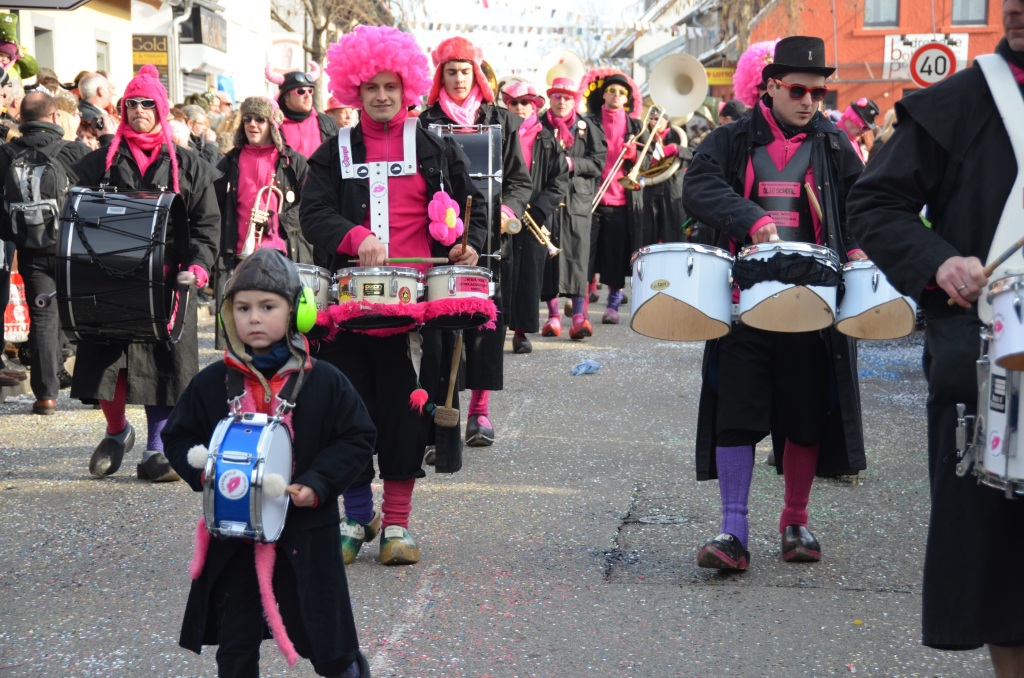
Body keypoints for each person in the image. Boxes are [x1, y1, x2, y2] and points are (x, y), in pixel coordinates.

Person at [847, 2, 1024, 670]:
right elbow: (875, 202)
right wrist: (939, 260)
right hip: (989, 359)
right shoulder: (963, 100)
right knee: (1005, 571)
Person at [300, 25, 488, 565]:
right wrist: (355, 237)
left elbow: (469, 207)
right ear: (353, 92)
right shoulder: (333, 150)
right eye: (370, 88)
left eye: (390, 86)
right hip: (349, 309)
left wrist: (465, 246)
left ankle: (398, 526)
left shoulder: (435, 145)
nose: (382, 96)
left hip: (415, 310)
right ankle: (358, 518)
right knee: (347, 414)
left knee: (406, 418)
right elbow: (312, 212)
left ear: (407, 87)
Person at [682, 35, 867, 572]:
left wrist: (855, 244)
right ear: (770, 86)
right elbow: (698, 186)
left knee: (806, 414)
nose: (810, 100)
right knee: (735, 413)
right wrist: (751, 219)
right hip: (744, 300)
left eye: (818, 92)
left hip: (813, 303)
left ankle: (795, 520)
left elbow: (862, 205)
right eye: (798, 90)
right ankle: (733, 533)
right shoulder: (732, 139)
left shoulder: (835, 145)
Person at [162, 248, 374, 677]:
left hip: (307, 535)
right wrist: (204, 473)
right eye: (243, 308)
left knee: (329, 643)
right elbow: (177, 436)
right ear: (227, 313)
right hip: (234, 540)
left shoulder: (324, 381)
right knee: (235, 647)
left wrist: (317, 483)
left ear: (298, 311)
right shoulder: (211, 382)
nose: (254, 318)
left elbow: (358, 437)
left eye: (267, 306)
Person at [70, 64, 219, 482]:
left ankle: (158, 449)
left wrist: (199, 268)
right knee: (106, 360)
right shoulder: (98, 164)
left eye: (147, 103)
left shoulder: (190, 166)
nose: (139, 110)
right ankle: (118, 433)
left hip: (169, 281)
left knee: (164, 363)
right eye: (131, 103)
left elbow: (207, 227)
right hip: (108, 277)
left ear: (161, 109)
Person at [418, 35, 533, 447]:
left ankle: (480, 411)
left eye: (466, 71)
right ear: (440, 76)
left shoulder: (503, 121)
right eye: (451, 71)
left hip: (494, 242)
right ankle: (440, 413)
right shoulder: (424, 122)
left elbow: (520, 181)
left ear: (477, 74)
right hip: (439, 243)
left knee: (486, 326)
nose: (459, 79)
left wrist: (507, 213)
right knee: (441, 329)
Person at [0, 90, 87, 414]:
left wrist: (13, 234)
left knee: (43, 318)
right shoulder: (72, 151)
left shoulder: (6, 153)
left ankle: (46, 395)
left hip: (32, 250)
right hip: (71, 248)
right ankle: (94, 392)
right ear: (54, 118)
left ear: (21, 120)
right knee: (83, 313)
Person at [213, 96, 310, 347]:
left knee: (282, 332)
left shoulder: (294, 163)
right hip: (239, 257)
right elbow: (212, 207)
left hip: (281, 256)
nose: (252, 124)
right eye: (247, 119)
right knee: (238, 334)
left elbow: (311, 205)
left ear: (273, 125)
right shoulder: (228, 162)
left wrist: (279, 219)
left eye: (260, 119)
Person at [500, 81, 568, 354]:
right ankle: (494, 329)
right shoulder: (499, 134)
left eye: (525, 102)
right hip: (504, 214)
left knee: (528, 275)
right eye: (513, 102)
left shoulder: (548, 139)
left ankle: (520, 332)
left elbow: (559, 179)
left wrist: (539, 210)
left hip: (535, 217)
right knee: (502, 273)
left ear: (535, 106)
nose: (519, 108)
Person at [538, 76, 606, 341]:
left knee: (578, 257)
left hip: (577, 201)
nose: (562, 101)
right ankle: (553, 316)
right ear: (550, 98)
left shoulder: (587, 127)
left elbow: (598, 162)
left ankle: (579, 317)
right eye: (557, 96)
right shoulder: (540, 126)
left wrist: (572, 163)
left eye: (567, 97)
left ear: (574, 100)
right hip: (547, 202)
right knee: (547, 259)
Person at [579, 68, 646, 325]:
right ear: (603, 95)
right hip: (592, 197)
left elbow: (649, 159)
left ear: (627, 98)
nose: (616, 95)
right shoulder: (589, 122)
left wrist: (633, 156)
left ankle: (613, 303)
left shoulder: (636, 126)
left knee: (616, 255)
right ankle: (581, 304)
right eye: (612, 91)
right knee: (586, 254)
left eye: (622, 92)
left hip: (621, 200)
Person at [266, 62, 337, 159]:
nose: (307, 96)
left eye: (310, 90)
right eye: (301, 91)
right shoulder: (273, 124)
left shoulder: (326, 122)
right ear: (286, 96)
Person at [639, 114, 689, 246]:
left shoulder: (677, 135)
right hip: (651, 190)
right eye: (652, 119)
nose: (654, 122)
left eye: (657, 119)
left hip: (672, 190)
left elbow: (693, 153)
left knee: (674, 235)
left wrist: (676, 149)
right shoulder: (644, 136)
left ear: (666, 120)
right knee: (649, 235)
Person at [837, 97, 879, 162]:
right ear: (850, 119)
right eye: (864, 127)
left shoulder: (853, 140)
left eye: (868, 129)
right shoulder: (832, 136)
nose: (864, 133)